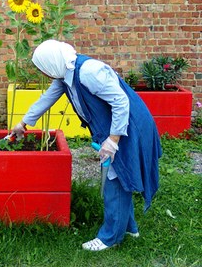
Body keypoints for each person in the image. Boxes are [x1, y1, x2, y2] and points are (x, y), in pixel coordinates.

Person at [11, 39, 162, 251]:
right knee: (119, 175)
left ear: (52, 61)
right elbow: (46, 99)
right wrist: (23, 124)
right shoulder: (64, 76)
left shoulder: (89, 72)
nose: (43, 74)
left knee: (115, 178)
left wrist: (113, 140)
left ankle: (110, 237)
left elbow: (121, 102)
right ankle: (129, 228)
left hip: (129, 125)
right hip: (115, 127)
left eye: (42, 68)